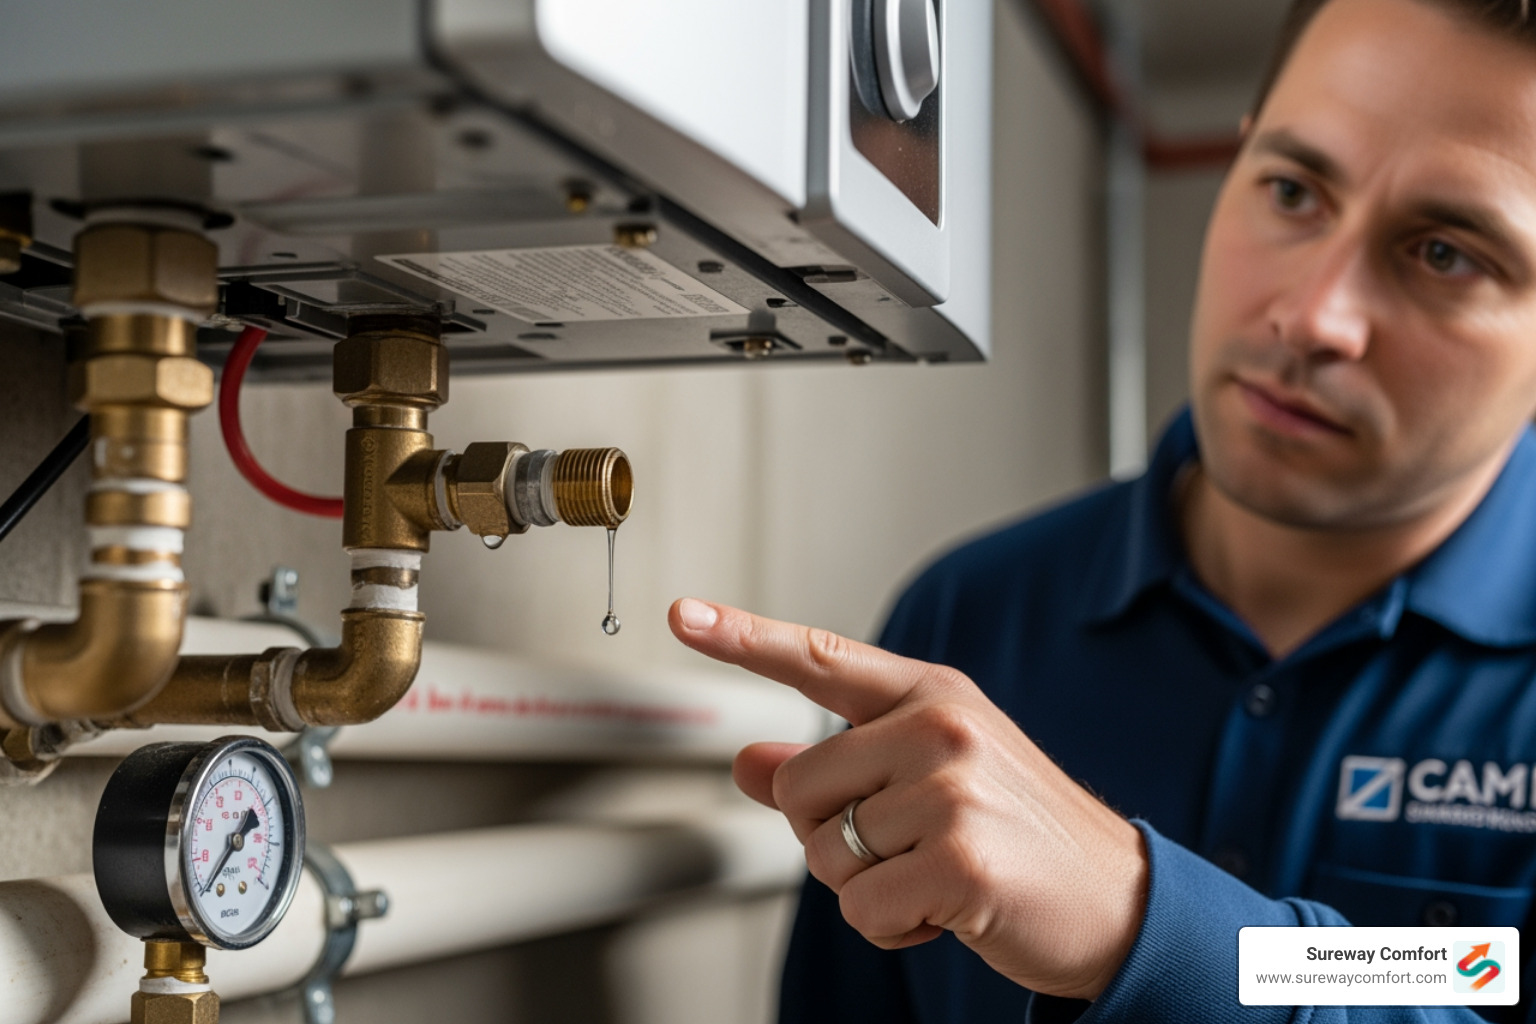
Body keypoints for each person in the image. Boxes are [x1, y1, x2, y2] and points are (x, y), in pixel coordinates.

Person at [667, 0, 1536, 1020]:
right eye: (1293, 189)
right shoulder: (969, 621)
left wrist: (1144, 921)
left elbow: (1482, 975)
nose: (1314, 317)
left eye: (1446, 254)